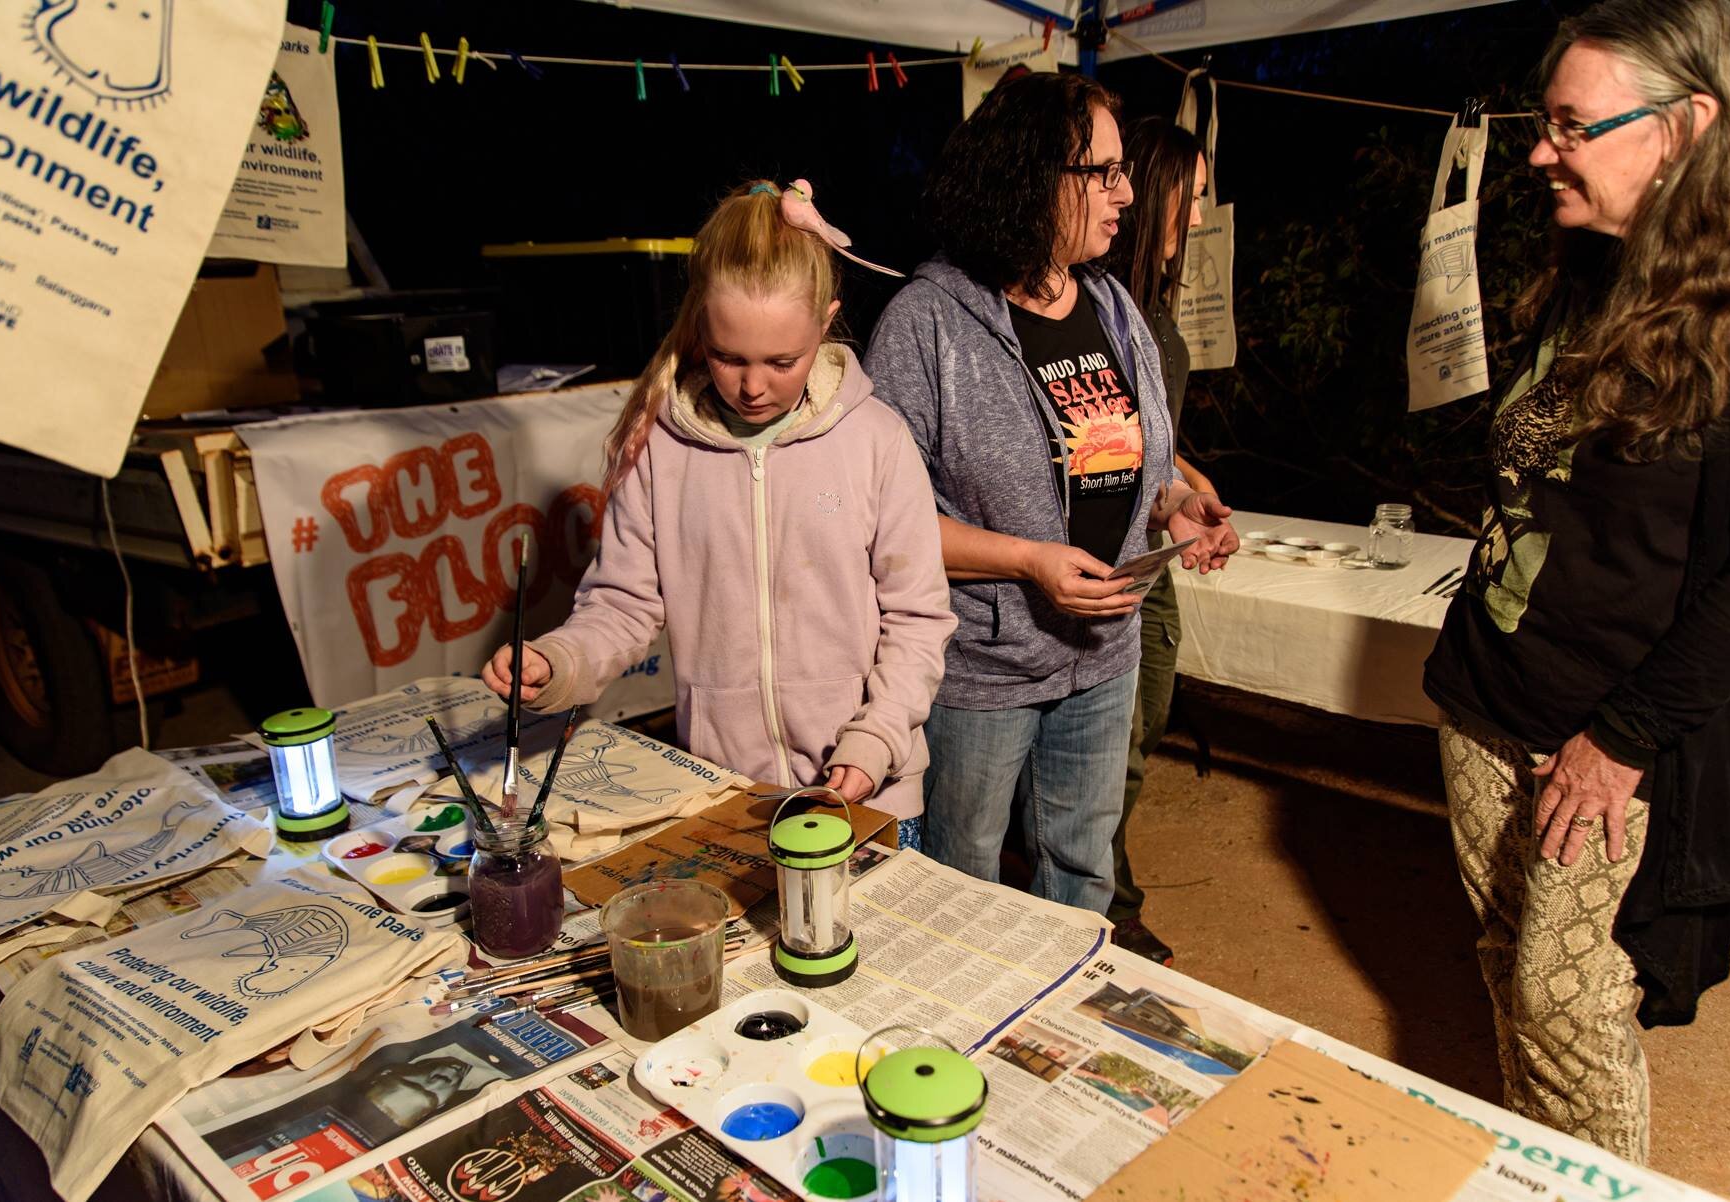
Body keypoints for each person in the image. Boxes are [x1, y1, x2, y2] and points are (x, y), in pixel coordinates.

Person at [1422, 0, 1730, 1162]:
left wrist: (1619, 739)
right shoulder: (1586, 269)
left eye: (1571, 127)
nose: (1538, 152)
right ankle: (1537, 1174)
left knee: (1569, 1011)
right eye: (1543, 124)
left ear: (1680, 130)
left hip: (1606, 739)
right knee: (1504, 967)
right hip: (1482, 693)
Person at [483, 181, 955, 844]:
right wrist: (556, 660)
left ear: (826, 322)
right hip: (727, 793)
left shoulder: (877, 440)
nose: (753, 385)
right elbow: (623, 605)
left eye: (781, 361)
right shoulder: (659, 449)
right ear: (700, 326)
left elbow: (919, 619)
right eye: (729, 357)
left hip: (868, 796)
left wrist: (875, 740)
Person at [866, 73, 1236, 913]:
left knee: (1083, 872)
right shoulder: (926, 324)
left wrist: (1178, 507)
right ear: (1034, 179)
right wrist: (1029, 562)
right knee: (965, 884)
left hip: (1106, 655)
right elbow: (885, 525)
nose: (1128, 193)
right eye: (1102, 172)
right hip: (983, 670)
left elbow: (1138, 465)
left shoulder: (1110, 304)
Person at [1097, 116, 1237, 963]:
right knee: (1118, 737)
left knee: (1146, 719)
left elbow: (1142, 430)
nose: (1197, 215)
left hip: (1154, 536)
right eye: (1189, 195)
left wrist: (1189, 479)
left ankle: (1088, 874)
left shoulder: (1149, 302)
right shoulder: (1102, 306)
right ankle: (1106, 900)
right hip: (1112, 547)